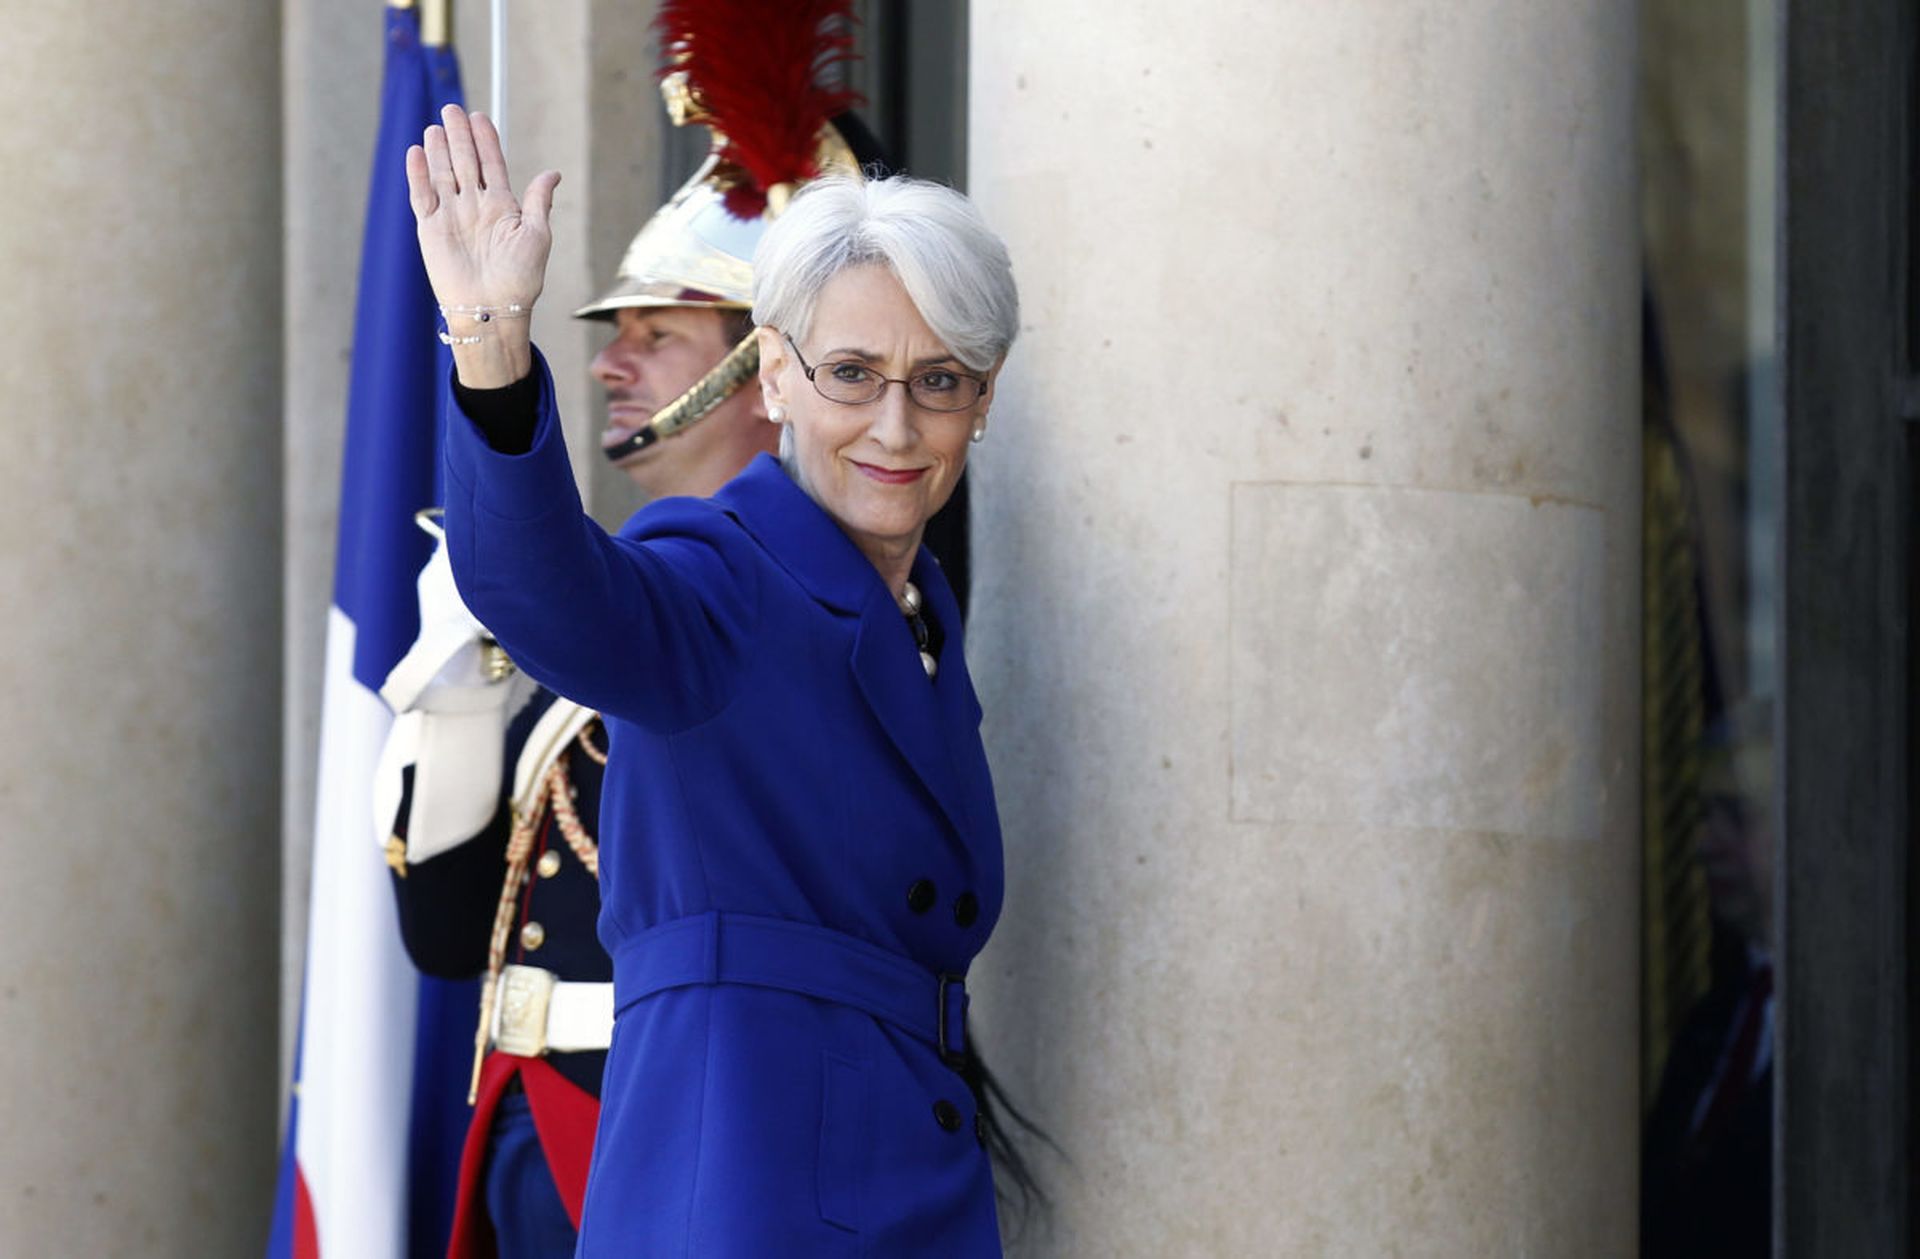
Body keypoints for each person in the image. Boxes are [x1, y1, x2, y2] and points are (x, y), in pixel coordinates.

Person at [407, 101, 1018, 1253]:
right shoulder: (723, 574)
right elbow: (544, 588)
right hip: (745, 1191)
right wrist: (491, 350)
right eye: (850, 373)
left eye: (938, 381)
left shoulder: (922, 619)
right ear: (774, 378)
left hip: (910, 1187)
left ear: (981, 403)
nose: (895, 423)